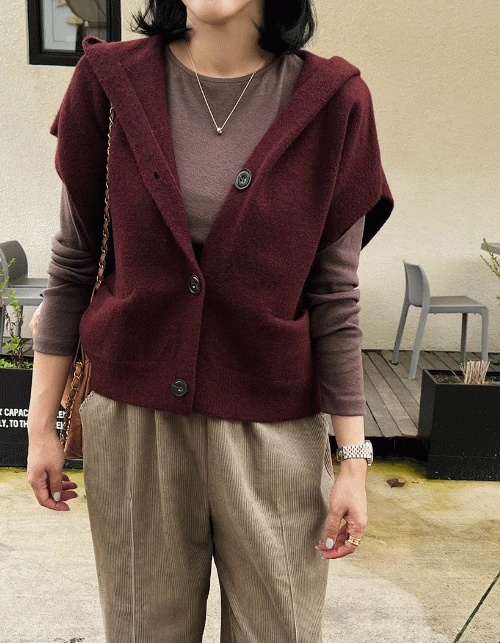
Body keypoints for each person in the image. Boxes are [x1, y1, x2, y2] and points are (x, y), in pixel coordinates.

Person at [27, 1, 394, 640]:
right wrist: (42, 427)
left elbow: (335, 297)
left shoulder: (335, 102)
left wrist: (353, 461)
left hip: (275, 435)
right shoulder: (109, 84)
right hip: (136, 430)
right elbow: (73, 264)